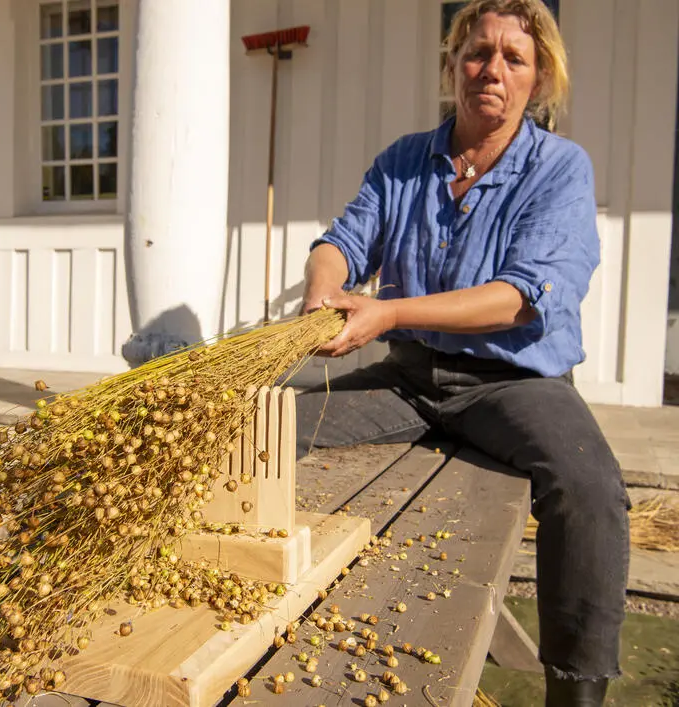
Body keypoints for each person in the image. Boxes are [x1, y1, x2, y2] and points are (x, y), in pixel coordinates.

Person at [295, 1, 629, 705]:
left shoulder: (561, 169)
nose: (493, 70)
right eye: (479, 52)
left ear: (539, 80)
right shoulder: (404, 161)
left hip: (514, 381)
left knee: (591, 491)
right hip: (410, 376)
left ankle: (575, 691)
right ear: (453, 63)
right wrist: (323, 293)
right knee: (271, 431)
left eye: (515, 58)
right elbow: (342, 242)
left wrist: (386, 310)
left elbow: (516, 298)